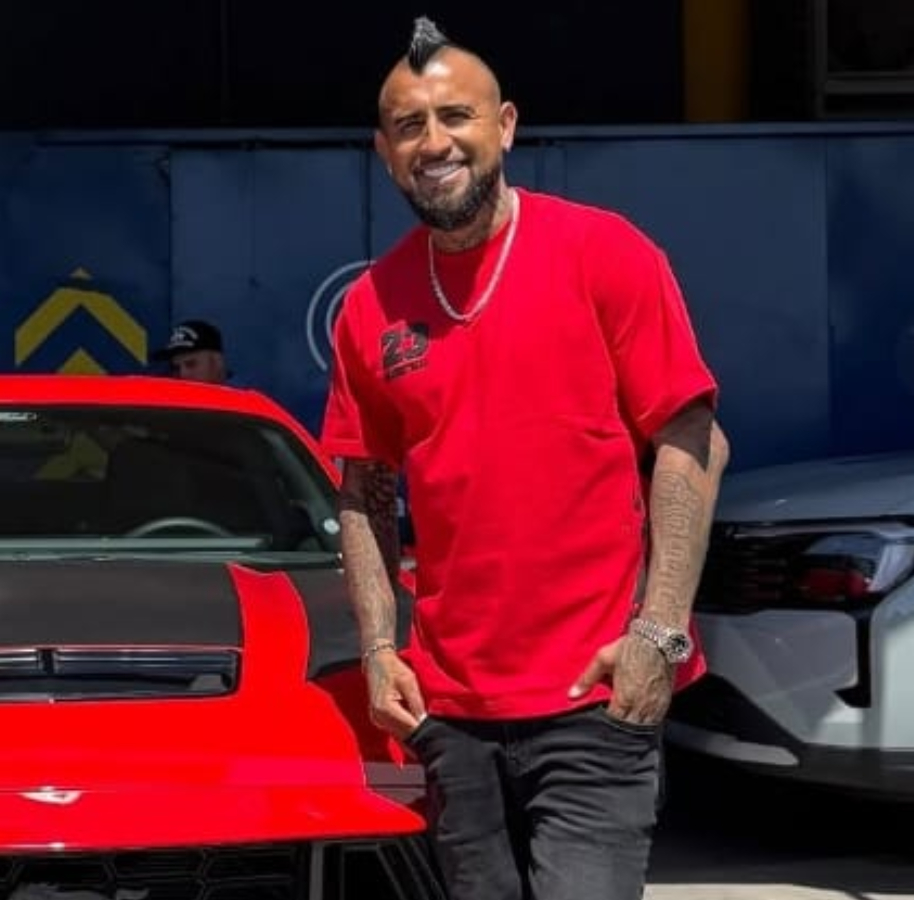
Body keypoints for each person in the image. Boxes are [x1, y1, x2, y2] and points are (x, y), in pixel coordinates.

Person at [319, 18, 729, 900]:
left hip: (595, 696)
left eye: (455, 116)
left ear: (504, 126)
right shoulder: (369, 306)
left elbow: (692, 442)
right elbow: (363, 488)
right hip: (450, 712)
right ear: (385, 153)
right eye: (409, 126)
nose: (434, 143)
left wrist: (659, 634)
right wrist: (380, 646)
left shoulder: (603, 253)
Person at [153, 319, 229, 384]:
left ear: (217, 362)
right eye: (176, 368)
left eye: (191, 364)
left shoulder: (236, 393)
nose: (182, 374)